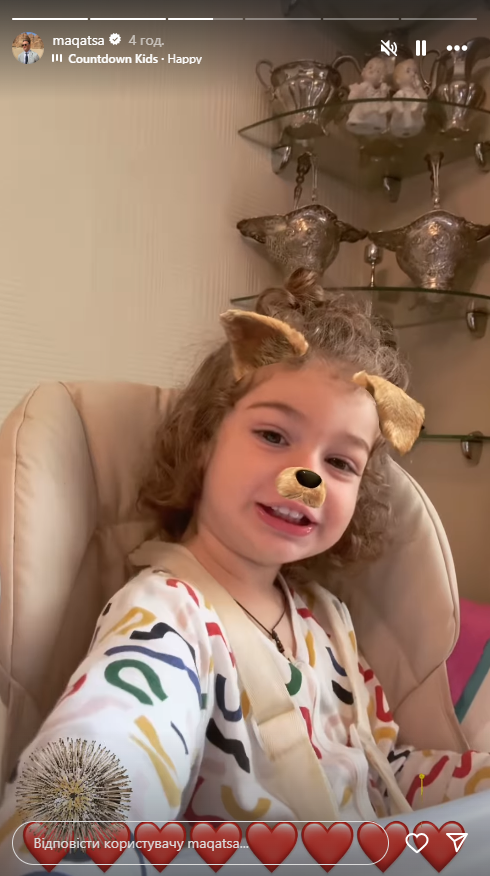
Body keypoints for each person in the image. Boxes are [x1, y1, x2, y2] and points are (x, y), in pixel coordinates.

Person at [0, 268, 489, 872]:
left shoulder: (327, 621)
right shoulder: (167, 616)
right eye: (273, 435)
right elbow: (119, 734)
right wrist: (71, 825)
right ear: (205, 440)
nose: (307, 476)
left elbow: (383, 770)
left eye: (341, 462)